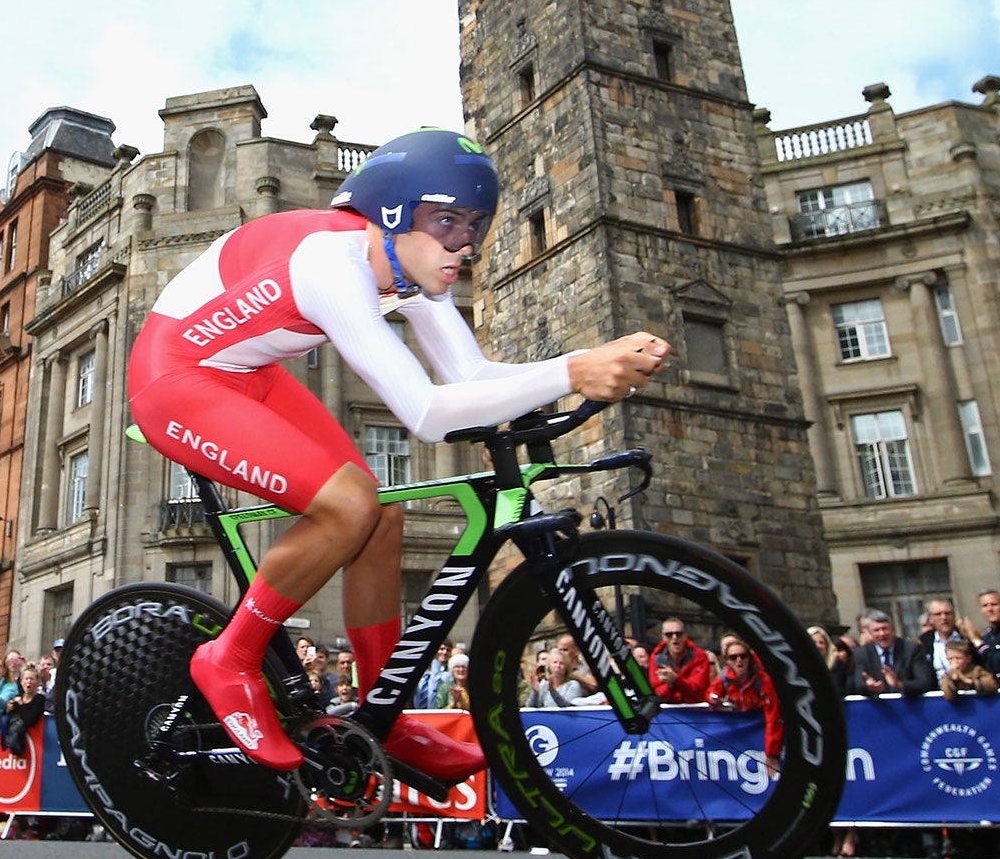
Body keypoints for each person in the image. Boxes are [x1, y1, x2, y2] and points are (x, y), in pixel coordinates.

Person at [126, 128, 670, 780]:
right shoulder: (335, 263)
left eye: (474, 225)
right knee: (348, 505)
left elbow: (469, 378)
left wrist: (577, 370)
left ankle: (386, 713)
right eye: (447, 222)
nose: (464, 243)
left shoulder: (410, 270)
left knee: (379, 516)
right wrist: (577, 369)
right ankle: (230, 658)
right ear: (390, 214)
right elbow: (426, 411)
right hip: (175, 379)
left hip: (250, 374)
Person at [708, 635, 783, 763]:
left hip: (762, 731)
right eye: (733, 657)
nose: (739, 661)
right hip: (739, 735)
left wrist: (772, 754)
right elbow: (710, 693)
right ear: (727, 661)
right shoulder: (725, 679)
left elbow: (774, 716)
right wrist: (714, 701)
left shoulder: (763, 680)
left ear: (750, 658)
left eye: (743, 656)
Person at [849, 610, 934, 696]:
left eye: (885, 629)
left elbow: (924, 682)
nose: (882, 634)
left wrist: (899, 684)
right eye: (876, 630)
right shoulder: (861, 653)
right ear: (870, 633)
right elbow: (858, 684)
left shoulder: (911, 649)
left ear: (893, 629)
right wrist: (869, 686)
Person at [650, 617, 715, 705]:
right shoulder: (656, 658)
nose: (674, 638)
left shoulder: (700, 656)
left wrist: (675, 680)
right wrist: (670, 686)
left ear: (685, 636)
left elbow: (697, 689)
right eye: (669, 635)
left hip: (695, 708)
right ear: (663, 637)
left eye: (678, 634)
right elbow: (658, 693)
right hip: (668, 708)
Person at [524, 647, 588, 708]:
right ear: (549, 666)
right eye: (555, 662)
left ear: (566, 667)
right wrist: (535, 692)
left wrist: (553, 692)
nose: (557, 666)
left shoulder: (573, 685)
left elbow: (568, 707)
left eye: (561, 663)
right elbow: (530, 707)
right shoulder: (544, 684)